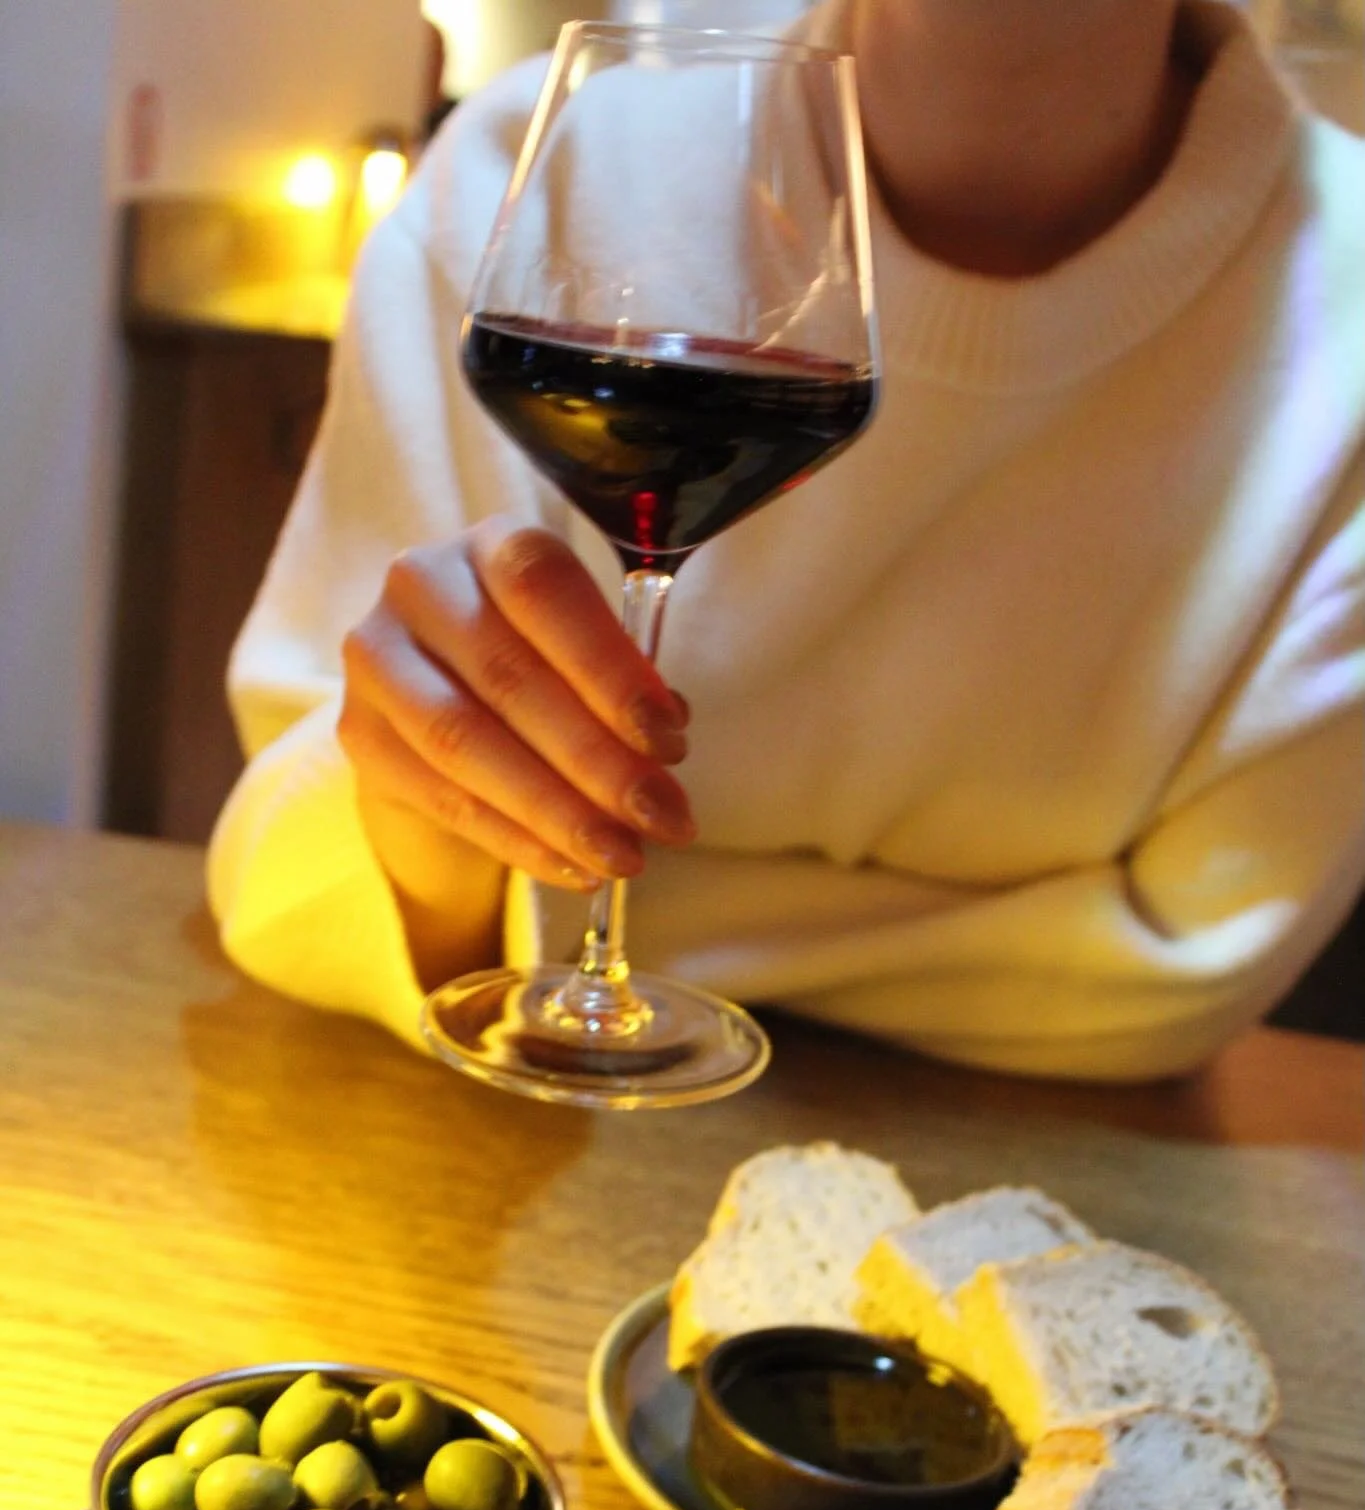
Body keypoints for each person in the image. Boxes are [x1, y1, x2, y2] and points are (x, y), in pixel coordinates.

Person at [207, 0, 1365, 1082]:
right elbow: (286, 870)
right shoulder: (531, 176)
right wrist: (428, 828)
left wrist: (584, 918)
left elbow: (1185, 977)